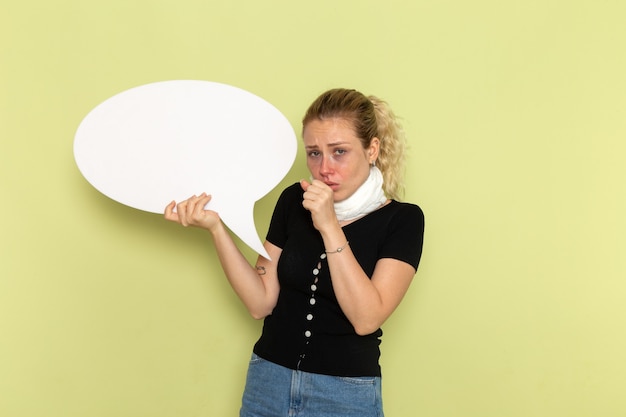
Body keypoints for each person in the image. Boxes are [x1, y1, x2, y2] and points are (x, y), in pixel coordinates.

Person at [164, 88, 425, 417]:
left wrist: (330, 225)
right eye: (314, 153)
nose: (324, 168)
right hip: (268, 381)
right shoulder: (293, 201)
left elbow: (366, 318)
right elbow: (260, 302)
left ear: (371, 149)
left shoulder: (403, 220)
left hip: (344, 394)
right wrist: (217, 229)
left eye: (339, 152)